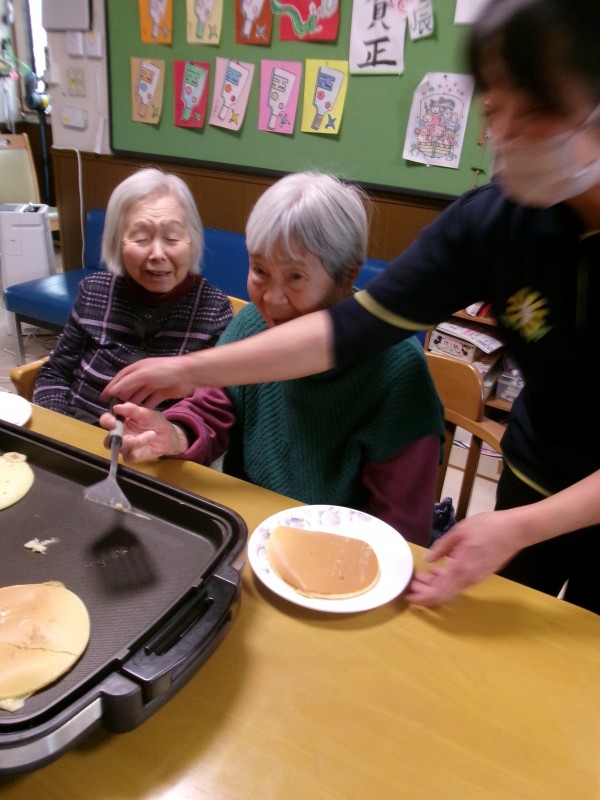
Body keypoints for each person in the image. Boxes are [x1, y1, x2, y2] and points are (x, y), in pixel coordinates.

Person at [104, 0, 600, 614]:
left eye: (538, 108)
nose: (507, 138)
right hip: (534, 464)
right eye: (496, 111)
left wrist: (521, 527)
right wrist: (185, 386)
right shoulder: (495, 222)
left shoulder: (394, 381)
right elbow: (347, 331)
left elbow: (397, 527)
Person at [100, 171, 445, 546]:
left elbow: (401, 527)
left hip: (338, 548)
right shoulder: (252, 324)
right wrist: (173, 435)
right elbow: (214, 410)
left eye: (295, 277)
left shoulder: (396, 368)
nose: (271, 299)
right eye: (260, 270)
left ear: (346, 278)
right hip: (249, 527)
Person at [32, 168, 232, 424]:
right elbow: (56, 372)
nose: (157, 254)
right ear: (117, 241)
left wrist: (172, 435)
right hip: (76, 428)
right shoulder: (94, 291)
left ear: (192, 242)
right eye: (141, 238)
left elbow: (210, 405)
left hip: (155, 442)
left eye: (172, 238)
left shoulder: (213, 310)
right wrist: (57, 428)